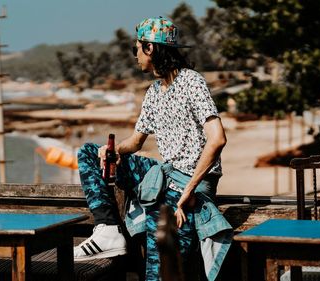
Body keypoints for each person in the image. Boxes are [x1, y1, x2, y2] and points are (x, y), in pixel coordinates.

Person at [74, 17, 232, 281]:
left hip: (191, 182)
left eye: (137, 48)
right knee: (89, 152)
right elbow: (136, 142)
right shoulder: (154, 92)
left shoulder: (192, 81)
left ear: (150, 48)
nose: (135, 55)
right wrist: (113, 152)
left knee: (159, 250)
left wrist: (187, 192)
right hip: (164, 173)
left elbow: (217, 139)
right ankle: (108, 228)